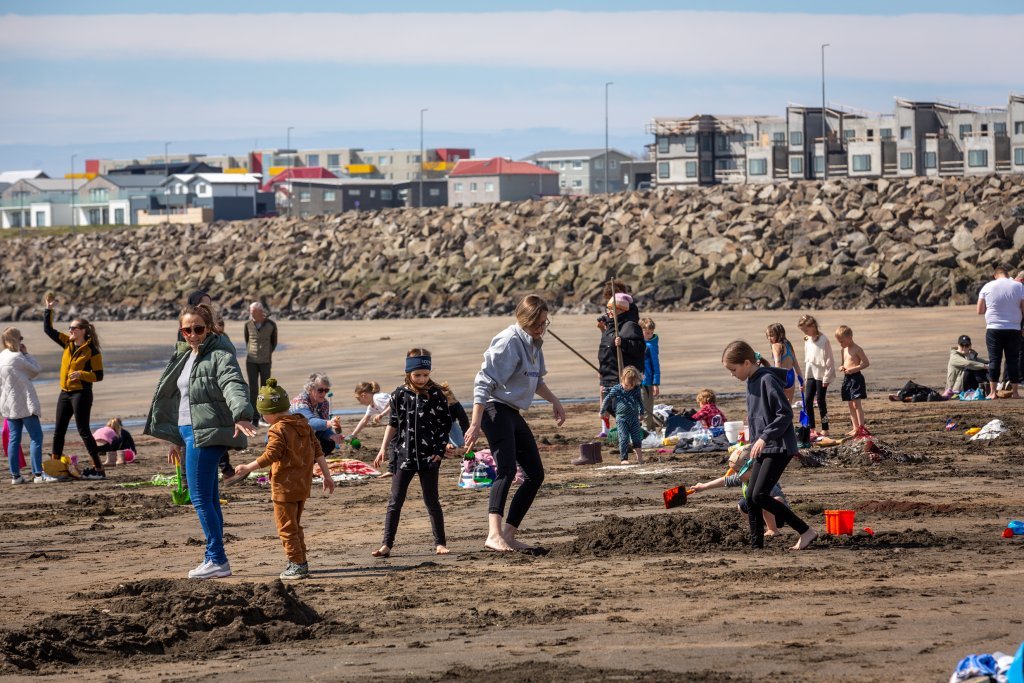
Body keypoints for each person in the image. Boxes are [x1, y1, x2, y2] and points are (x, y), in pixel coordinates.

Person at [144, 303, 255, 580]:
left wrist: (241, 414)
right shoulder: (184, 356)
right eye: (187, 329)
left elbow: (233, 383)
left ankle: (217, 559)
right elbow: (178, 400)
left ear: (209, 328)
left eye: (198, 329)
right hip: (187, 432)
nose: (192, 334)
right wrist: (174, 438)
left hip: (205, 433)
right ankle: (214, 557)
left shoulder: (219, 355)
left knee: (200, 498)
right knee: (209, 498)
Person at [463, 294, 565, 553]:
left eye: (544, 323)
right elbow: (483, 381)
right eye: (536, 324)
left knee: (535, 474)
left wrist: (555, 400)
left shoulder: (534, 342)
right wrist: (475, 424)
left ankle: (508, 534)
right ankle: (493, 535)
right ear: (523, 321)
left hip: (512, 412)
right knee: (506, 470)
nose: (541, 328)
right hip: (494, 409)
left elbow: (536, 379)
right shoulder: (509, 340)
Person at [231, 378, 335, 580]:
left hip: (284, 487)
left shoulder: (278, 429)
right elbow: (317, 451)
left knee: (286, 527)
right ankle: (300, 560)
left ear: (271, 413)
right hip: (302, 485)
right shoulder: (302, 423)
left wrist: (247, 468)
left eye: (263, 414)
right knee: (294, 525)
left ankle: (297, 564)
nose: (263, 417)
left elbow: (271, 455)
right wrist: (327, 475)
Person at [721, 340, 816, 551]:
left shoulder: (767, 380)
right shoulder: (752, 380)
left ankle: (806, 531)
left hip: (779, 446)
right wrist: (750, 439)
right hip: (762, 446)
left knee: (759, 495)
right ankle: (757, 546)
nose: (732, 374)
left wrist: (764, 437)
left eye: (733, 369)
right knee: (751, 497)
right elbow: (759, 415)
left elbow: (785, 413)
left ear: (746, 363)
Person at [371, 349, 453, 558]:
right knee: (395, 501)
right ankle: (386, 545)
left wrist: (439, 451)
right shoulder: (398, 394)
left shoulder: (436, 394)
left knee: (432, 501)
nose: (422, 379)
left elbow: (445, 425)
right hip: (403, 456)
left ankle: (440, 543)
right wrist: (382, 449)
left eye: (426, 374)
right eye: (418, 375)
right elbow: (394, 423)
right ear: (408, 373)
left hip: (429, 457)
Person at [43, 293, 106, 480]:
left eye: (73, 328)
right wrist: (49, 308)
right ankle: (54, 468)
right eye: (69, 327)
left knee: (83, 431)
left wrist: (81, 374)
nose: (70, 330)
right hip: (65, 393)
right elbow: (48, 329)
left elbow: (99, 376)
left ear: (83, 331)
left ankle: (98, 469)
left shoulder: (92, 351)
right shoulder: (67, 342)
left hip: (82, 394)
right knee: (58, 431)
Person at [691, 447, 790, 537]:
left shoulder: (765, 480)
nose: (737, 475)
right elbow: (724, 481)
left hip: (778, 516)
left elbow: (780, 499)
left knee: (766, 501)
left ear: (752, 468)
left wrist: (766, 505)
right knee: (742, 504)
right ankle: (756, 527)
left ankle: (772, 529)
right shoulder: (743, 478)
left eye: (739, 472)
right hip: (759, 514)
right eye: (735, 472)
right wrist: (703, 486)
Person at [0, 327, 51, 484]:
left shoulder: (1, 357)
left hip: (9, 404)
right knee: (36, 437)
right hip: (25, 402)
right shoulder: (18, 357)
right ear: (16, 339)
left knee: (14, 439)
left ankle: (15, 475)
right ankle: (37, 474)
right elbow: (36, 370)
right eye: (20, 339)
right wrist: (26, 353)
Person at [596, 283, 644, 438]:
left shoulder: (630, 325)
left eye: (611, 308)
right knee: (609, 405)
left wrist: (623, 343)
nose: (608, 311)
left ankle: (632, 432)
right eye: (608, 308)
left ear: (621, 309)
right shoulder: (610, 326)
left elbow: (639, 347)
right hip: (608, 374)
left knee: (622, 406)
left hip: (622, 374)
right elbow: (605, 350)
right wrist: (601, 370)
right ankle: (629, 429)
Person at [977, 264, 1024, 399]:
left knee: (994, 360)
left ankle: (992, 393)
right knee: (1012, 360)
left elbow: (979, 310)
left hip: (994, 328)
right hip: (1014, 328)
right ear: (1007, 274)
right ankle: (1015, 393)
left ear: (995, 275)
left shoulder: (987, 286)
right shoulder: (1018, 286)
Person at [289, 373, 345, 460]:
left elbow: (323, 428)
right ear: (310, 389)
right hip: (288, 439)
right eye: (320, 390)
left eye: (326, 390)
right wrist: (329, 423)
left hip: (306, 437)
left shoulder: (324, 403)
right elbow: (309, 422)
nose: (323, 393)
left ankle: (310, 465)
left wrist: (333, 436)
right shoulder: (299, 403)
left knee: (329, 443)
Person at [797, 314, 834, 440]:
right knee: (807, 400)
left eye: (806, 330)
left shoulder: (824, 340)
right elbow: (808, 360)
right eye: (803, 331)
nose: (805, 333)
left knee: (821, 401)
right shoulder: (807, 340)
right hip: (811, 373)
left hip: (822, 375)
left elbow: (829, 359)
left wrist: (827, 377)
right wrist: (805, 380)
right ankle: (811, 428)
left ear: (813, 326)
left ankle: (825, 428)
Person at [600, 366, 645, 465]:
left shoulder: (636, 389)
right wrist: (602, 411)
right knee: (623, 438)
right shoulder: (617, 389)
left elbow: (640, 402)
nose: (628, 387)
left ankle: (639, 457)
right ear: (622, 379)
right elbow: (607, 399)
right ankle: (624, 458)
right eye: (626, 385)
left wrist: (641, 413)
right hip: (621, 418)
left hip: (634, 418)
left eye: (631, 386)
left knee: (636, 438)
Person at [244, 302, 278, 427]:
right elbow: (247, 340)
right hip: (251, 361)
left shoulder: (271, 325)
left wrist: (267, 353)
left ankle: (264, 417)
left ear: (260, 311)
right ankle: (254, 417)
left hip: (265, 361)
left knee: (265, 389)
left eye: (253, 311)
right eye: (250, 311)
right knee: (253, 390)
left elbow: (274, 342)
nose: (251, 313)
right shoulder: (247, 324)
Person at [836, 325, 871, 438]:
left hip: (856, 378)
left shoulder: (857, 349)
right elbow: (843, 363)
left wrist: (853, 369)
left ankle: (861, 427)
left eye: (842, 341)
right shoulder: (843, 350)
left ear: (850, 337)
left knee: (857, 404)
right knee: (850, 404)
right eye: (839, 342)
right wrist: (841, 367)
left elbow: (866, 363)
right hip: (847, 379)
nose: (841, 344)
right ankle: (855, 427)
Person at [766, 323, 802, 403]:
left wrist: (776, 380)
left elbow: (778, 363)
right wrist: (801, 381)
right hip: (791, 376)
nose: (769, 338)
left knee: (779, 406)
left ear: (780, 334)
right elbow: (795, 364)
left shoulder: (775, 346)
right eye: (768, 336)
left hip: (782, 377)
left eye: (771, 336)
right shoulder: (788, 344)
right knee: (788, 405)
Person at [639, 317, 661, 432]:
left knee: (646, 407)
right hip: (639, 379)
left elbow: (655, 365)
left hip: (648, 380)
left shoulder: (651, 346)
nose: (649, 335)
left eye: (651, 332)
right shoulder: (639, 342)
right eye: (647, 333)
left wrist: (655, 383)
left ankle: (646, 430)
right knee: (644, 405)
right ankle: (651, 429)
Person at [441, 382, 470, 449]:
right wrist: (446, 443)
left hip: (451, 424)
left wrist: (467, 439)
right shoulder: (435, 406)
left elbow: (464, 422)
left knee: (460, 444)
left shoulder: (455, 405)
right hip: (437, 427)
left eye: (449, 404)